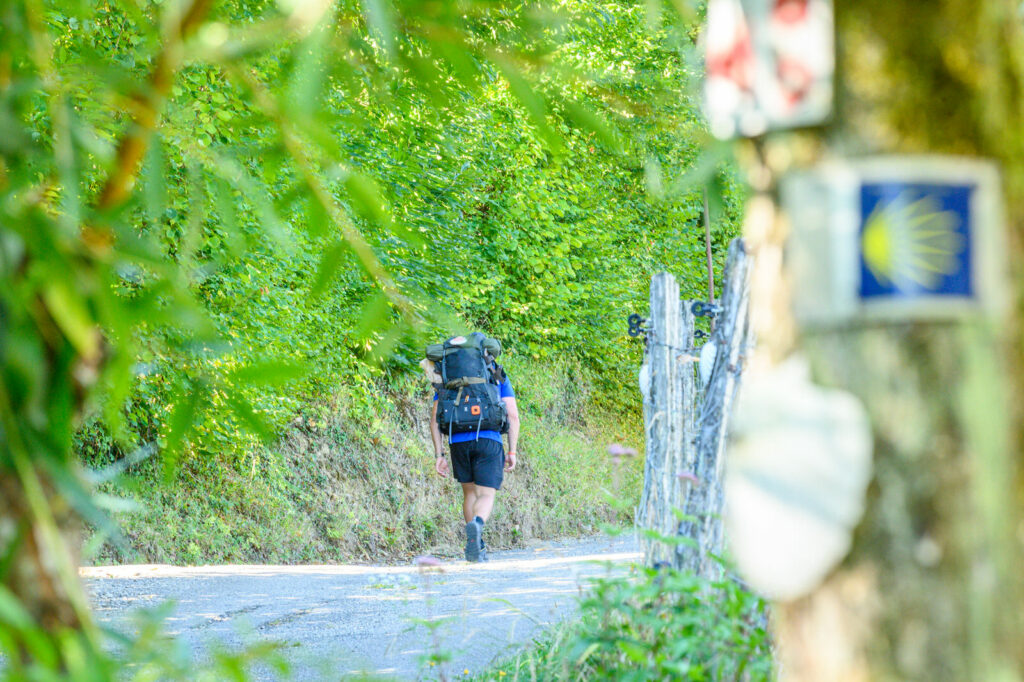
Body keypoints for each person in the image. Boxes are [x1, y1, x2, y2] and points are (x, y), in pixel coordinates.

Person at [429, 358, 519, 562]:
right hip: (489, 439)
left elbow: (435, 417)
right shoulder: (495, 372)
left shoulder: (450, 374)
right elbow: (512, 414)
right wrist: (512, 451)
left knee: (469, 492)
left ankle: (475, 546)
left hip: (458, 440)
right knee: (486, 494)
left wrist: (439, 454)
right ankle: (477, 524)